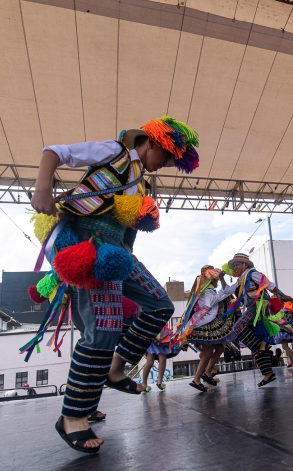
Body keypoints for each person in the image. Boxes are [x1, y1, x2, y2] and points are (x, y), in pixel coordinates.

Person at [29, 118, 200, 453]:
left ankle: (115, 367)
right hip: (91, 244)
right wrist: (42, 188)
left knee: (160, 305)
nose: (165, 163)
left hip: (118, 251)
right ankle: (72, 417)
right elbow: (54, 152)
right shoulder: (113, 151)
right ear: (151, 142)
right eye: (166, 154)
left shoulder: (141, 185)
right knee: (103, 329)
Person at [220, 253, 293, 387]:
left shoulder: (252, 273)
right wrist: (221, 279)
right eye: (234, 265)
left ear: (245, 265)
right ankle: (268, 373)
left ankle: (262, 344)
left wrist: (283, 295)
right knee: (257, 349)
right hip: (253, 308)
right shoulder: (241, 279)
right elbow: (228, 290)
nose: (235, 267)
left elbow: (269, 284)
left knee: (237, 328)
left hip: (258, 307)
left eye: (237, 264)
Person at [174, 266, 237, 392]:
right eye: (216, 279)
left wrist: (224, 284)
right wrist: (224, 291)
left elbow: (225, 293)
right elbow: (211, 303)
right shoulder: (207, 292)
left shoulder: (206, 291)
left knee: (219, 348)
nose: (217, 282)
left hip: (208, 322)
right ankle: (196, 379)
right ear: (211, 280)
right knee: (208, 353)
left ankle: (207, 373)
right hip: (204, 323)